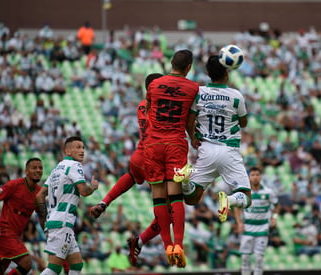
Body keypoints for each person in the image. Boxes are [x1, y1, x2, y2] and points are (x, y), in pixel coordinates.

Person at [89, 73, 164, 266]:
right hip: (153, 161)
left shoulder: (141, 105)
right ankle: (139, 241)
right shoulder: (161, 107)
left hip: (138, 157)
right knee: (167, 214)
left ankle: (104, 202)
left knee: (131, 176)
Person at [178, 55, 252, 222]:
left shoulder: (200, 92)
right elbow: (244, 122)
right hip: (229, 151)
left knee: (191, 198)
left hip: (207, 150)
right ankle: (229, 200)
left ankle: (185, 181)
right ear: (227, 73)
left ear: (207, 73)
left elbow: (189, 120)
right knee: (246, 198)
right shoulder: (235, 95)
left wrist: (192, 137)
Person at [143, 49, 199, 267]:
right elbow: (189, 123)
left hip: (153, 144)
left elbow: (148, 111)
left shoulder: (154, 85)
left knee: (158, 197)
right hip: (175, 144)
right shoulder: (193, 88)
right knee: (175, 196)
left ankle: (167, 246)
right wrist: (193, 138)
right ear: (188, 68)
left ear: (171, 63)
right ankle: (179, 244)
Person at [35, 136, 99, 275]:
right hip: (62, 223)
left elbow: (40, 195)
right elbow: (84, 191)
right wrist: (93, 187)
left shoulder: (56, 169)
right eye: (78, 147)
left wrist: (46, 219)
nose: (82, 151)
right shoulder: (74, 165)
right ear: (67, 151)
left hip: (58, 222)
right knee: (54, 268)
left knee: (76, 265)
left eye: (83, 147)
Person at [0, 158, 43, 275]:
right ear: (26, 171)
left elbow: (42, 215)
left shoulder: (39, 193)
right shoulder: (14, 185)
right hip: (4, 232)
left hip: (13, 236)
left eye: (40, 168)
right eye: (34, 168)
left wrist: (48, 233)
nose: (38, 170)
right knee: (26, 263)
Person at [233, 166, 279, 275]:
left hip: (262, 229)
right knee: (245, 258)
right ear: (249, 177)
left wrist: (274, 218)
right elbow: (236, 207)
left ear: (260, 176)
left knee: (258, 259)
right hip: (247, 229)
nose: (255, 177)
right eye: (253, 175)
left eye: (257, 175)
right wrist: (239, 223)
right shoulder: (244, 193)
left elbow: (276, 206)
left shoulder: (268, 192)